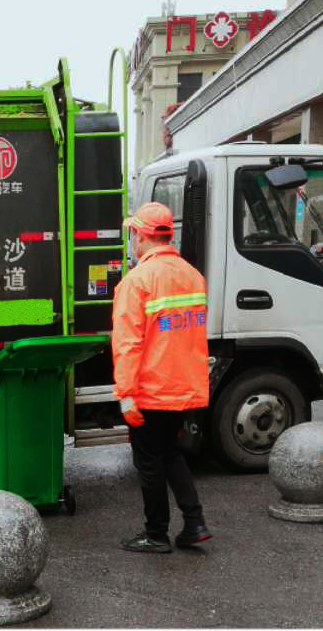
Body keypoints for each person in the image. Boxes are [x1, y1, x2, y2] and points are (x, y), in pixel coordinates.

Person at [113, 202, 212, 553]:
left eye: (132, 233)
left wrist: (126, 394)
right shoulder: (192, 276)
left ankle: (156, 534)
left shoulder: (137, 281)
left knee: (149, 461)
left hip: (151, 391)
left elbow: (127, 344)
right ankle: (195, 523)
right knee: (170, 453)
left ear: (140, 235)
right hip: (184, 388)